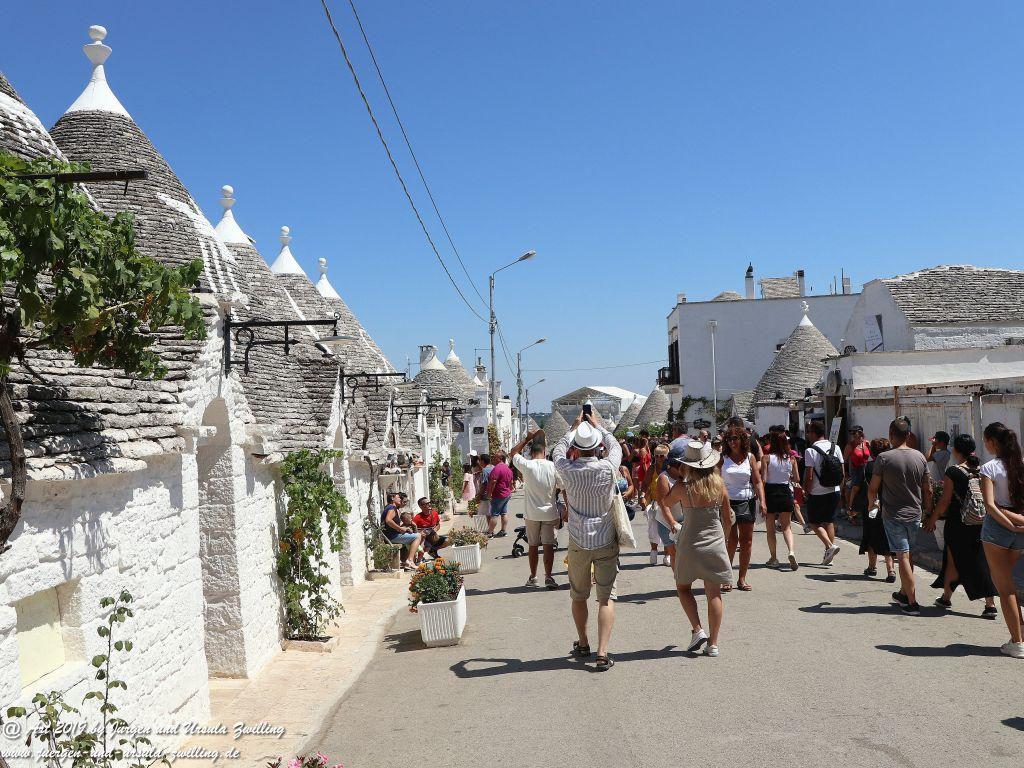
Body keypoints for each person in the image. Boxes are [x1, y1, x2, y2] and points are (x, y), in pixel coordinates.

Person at [553, 411, 622, 671]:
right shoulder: (607, 467)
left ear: (577, 448)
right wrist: (599, 427)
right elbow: (615, 446)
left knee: (579, 596)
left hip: (579, 540)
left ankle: (583, 643)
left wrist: (573, 429)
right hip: (605, 539)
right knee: (606, 598)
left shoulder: (568, 469)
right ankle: (602, 653)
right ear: (597, 446)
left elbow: (558, 450)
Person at [661, 440, 733, 657]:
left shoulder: (683, 488)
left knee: (683, 588)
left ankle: (697, 629)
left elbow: (665, 501)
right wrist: (725, 540)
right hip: (715, 542)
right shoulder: (719, 486)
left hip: (690, 543)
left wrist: (674, 521)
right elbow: (728, 519)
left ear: (687, 465)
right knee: (714, 593)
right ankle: (714, 644)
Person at [923, 433, 997, 618]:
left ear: (956, 450)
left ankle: (947, 597)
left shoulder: (954, 472)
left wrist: (932, 518)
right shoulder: (983, 470)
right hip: (981, 523)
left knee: (953, 558)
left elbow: (945, 501)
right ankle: (989, 604)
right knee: (981, 561)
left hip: (958, 523)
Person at [868, 417, 931, 615]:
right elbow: (927, 488)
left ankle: (912, 602)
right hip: (915, 514)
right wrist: (929, 513)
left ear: (891, 435)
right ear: (909, 435)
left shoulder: (884, 458)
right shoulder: (920, 457)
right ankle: (904, 593)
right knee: (907, 554)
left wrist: (872, 502)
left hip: (893, 514)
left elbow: (873, 488)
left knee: (902, 556)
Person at [978, 422, 1024, 658]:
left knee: (1004, 589)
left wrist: (1008, 526)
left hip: (998, 529)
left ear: (992, 442)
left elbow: (989, 504)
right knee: (1013, 587)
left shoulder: (989, 468)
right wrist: (1018, 526)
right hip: (1020, 527)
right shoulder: (1019, 465)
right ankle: (1020, 637)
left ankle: (1017, 642)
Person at [510, 429, 560, 589]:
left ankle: (533, 577)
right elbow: (562, 486)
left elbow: (513, 452)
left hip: (531, 513)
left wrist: (526, 438)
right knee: (548, 546)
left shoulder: (527, 465)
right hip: (550, 512)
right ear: (545, 452)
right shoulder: (553, 466)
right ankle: (549, 577)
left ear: (531, 453)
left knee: (532, 545)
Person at [721, 428, 765, 590]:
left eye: (735, 438)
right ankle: (727, 577)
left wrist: (763, 502)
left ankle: (742, 578)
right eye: (729, 439)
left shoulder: (750, 458)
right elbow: (716, 481)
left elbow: (758, 481)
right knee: (731, 541)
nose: (732, 442)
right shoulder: (723, 459)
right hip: (728, 503)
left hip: (747, 501)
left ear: (742, 440)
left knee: (746, 542)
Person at [803, 420, 844, 565]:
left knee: (813, 523)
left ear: (814, 433)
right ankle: (830, 556)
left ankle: (830, 546)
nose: (808, 435)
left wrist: (806, 491)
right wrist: (840, 490)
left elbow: (809, 475)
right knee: (829, 522)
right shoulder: (836, 447)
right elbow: (842, 472)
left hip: (817, 492)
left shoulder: (810, 451)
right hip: (834, 490)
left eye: (809, 432)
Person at [857, 438, 896, 582]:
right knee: (887, 537)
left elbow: (859, 486)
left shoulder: (867, 467)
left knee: (870, 535)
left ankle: (872, 567)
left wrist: (852, 503)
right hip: (889, 505)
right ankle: (891, 570)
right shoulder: (892, 466)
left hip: (871, 505)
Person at [761, 430, 800, 571]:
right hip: (785, 491)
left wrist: (761, 499)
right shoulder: (791, 458)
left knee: (770, 529)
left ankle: (773, 558)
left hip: (771, 492)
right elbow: (797, 479)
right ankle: (791, 552)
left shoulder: (766, 458)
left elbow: (764, 479)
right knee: (786, 527)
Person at [654, 448, 687, 567]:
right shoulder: (664, 478)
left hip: (683, 520)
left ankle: (683, 580)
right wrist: (672, 522)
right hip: (666, 523)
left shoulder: (686, 477)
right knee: (675, 555)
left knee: (684, 555)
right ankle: (680, 582)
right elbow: (663, 504)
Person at [380, 492, 422, 572]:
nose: (400, 499)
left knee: (413, 536)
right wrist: (400, 529)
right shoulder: (392, 507)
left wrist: (404, 528)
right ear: (393, 498)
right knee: (417, 536)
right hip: (392, 537)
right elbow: (388, 520)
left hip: (391, 535)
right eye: (398, 497)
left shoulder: (390, 508)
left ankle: (406, 561)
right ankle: (410, 561)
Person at [644, 444, 670, 564]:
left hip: (668, 502)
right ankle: (654, 551)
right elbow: (645, 484)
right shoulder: (652, 469)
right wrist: (642, 496)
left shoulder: (670, 469)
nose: (659, 458)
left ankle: (667, 554)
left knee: (668, 528)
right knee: (653, 527)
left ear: (667, 456)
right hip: (654, 502)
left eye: (662, 456)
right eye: (657, 456)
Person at [844, 425, 871, 517]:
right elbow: (844, 460)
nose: (853, 435)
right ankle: (850, 508)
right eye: (852, 433)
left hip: (866, 467)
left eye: (855, 433)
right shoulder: (850, 445)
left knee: (866, 488)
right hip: (855, 469)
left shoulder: (866, 443)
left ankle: (864, 508)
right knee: (855, 488)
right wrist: (846, 473)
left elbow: (872, 453)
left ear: (860, 433)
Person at [485, 452, 513, 537]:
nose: (493, 458)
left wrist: (489, 494)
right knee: (504, 513)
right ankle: (503, 531)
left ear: (500, 458)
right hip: (506, 494)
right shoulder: (508, 469)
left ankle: (489, 533)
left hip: (499, 494)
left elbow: (493, 481)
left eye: (495, 457)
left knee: (494, 514)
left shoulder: (497, 468)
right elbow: (511, 482)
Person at [474, 454, 492, 521]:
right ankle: (490, 529)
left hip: (485, 495)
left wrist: (479, 495)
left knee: (485, 513)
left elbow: (484, 484)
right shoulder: (493, 467)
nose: (478, 462)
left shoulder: (485, 470)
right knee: (490, 512)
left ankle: (489, 530)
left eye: (479, 460)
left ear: (482, 461)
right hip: (492, 494)